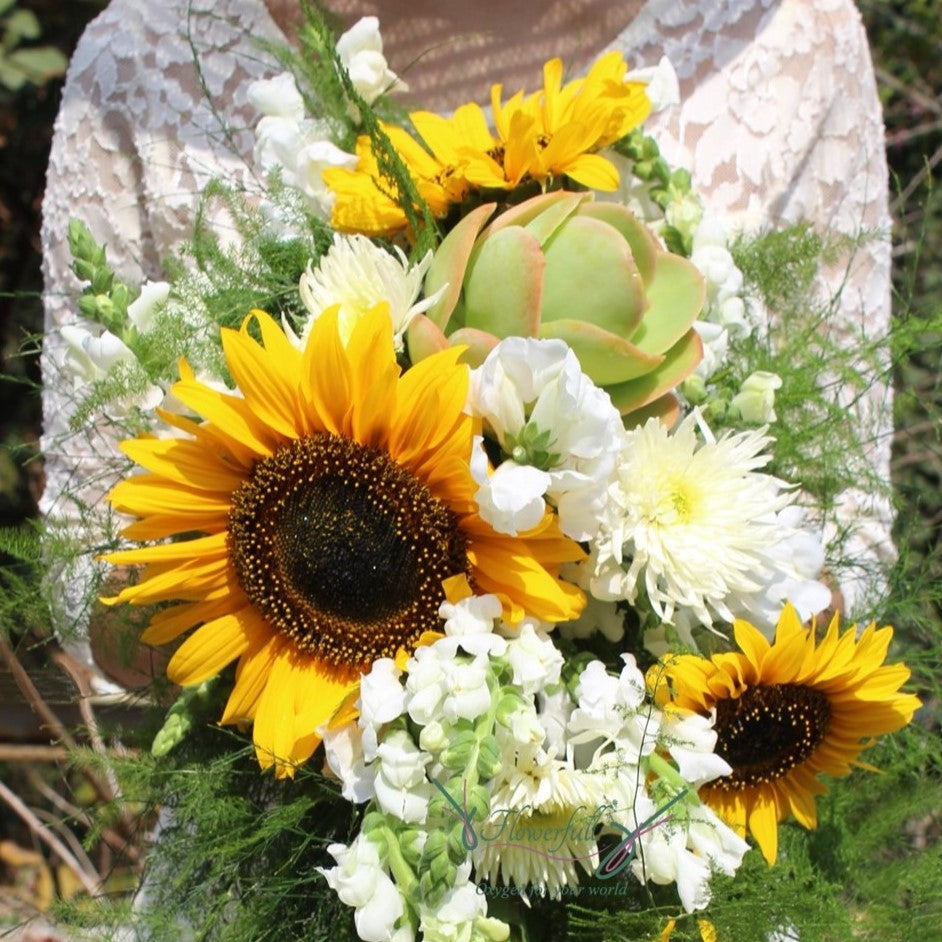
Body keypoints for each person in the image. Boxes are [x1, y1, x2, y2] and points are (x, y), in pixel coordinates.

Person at [40, 0, 893, 691]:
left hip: (673, 846)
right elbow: (88, 583)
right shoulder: (148, 55)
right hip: (274, 868)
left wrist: (642, 636)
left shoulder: (792, 41)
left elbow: (849, 540)